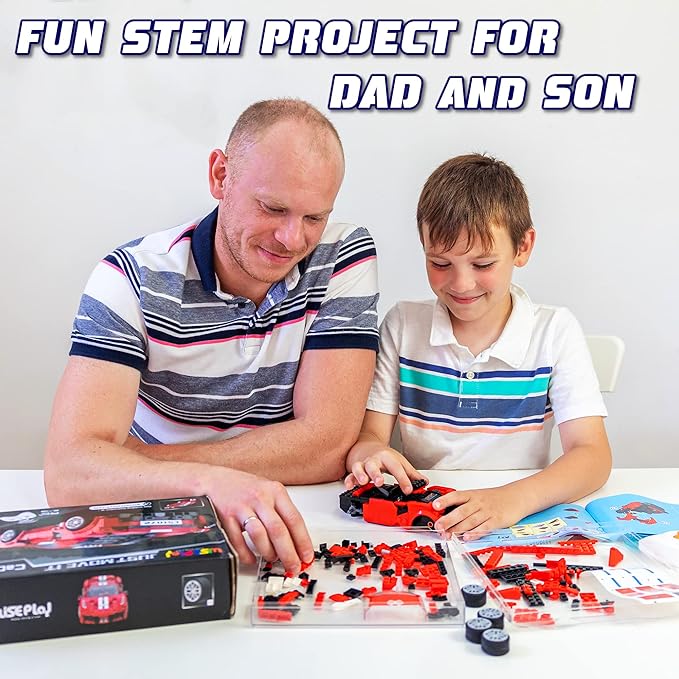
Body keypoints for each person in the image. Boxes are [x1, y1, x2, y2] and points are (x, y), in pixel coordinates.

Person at [44, 99, 379, 572]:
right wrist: (206, 483)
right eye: (273, 208)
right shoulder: (129, 277)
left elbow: (328, 444)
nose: (293, 240)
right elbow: (69, 472)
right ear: (221, 176)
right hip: (158, 514)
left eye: (314, 218)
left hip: (288, 512)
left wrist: (148, 464)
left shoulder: (343, 254)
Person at [344, 153, 612, 537]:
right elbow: (369, 437)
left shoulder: (554, 331)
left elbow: (593, 456)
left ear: (523, 246)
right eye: (440, 263)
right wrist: (369, 453)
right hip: (428, 523)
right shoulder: (402, 325)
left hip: (517, 518)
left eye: (483, 264)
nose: (462, 284)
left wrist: (511, 500)